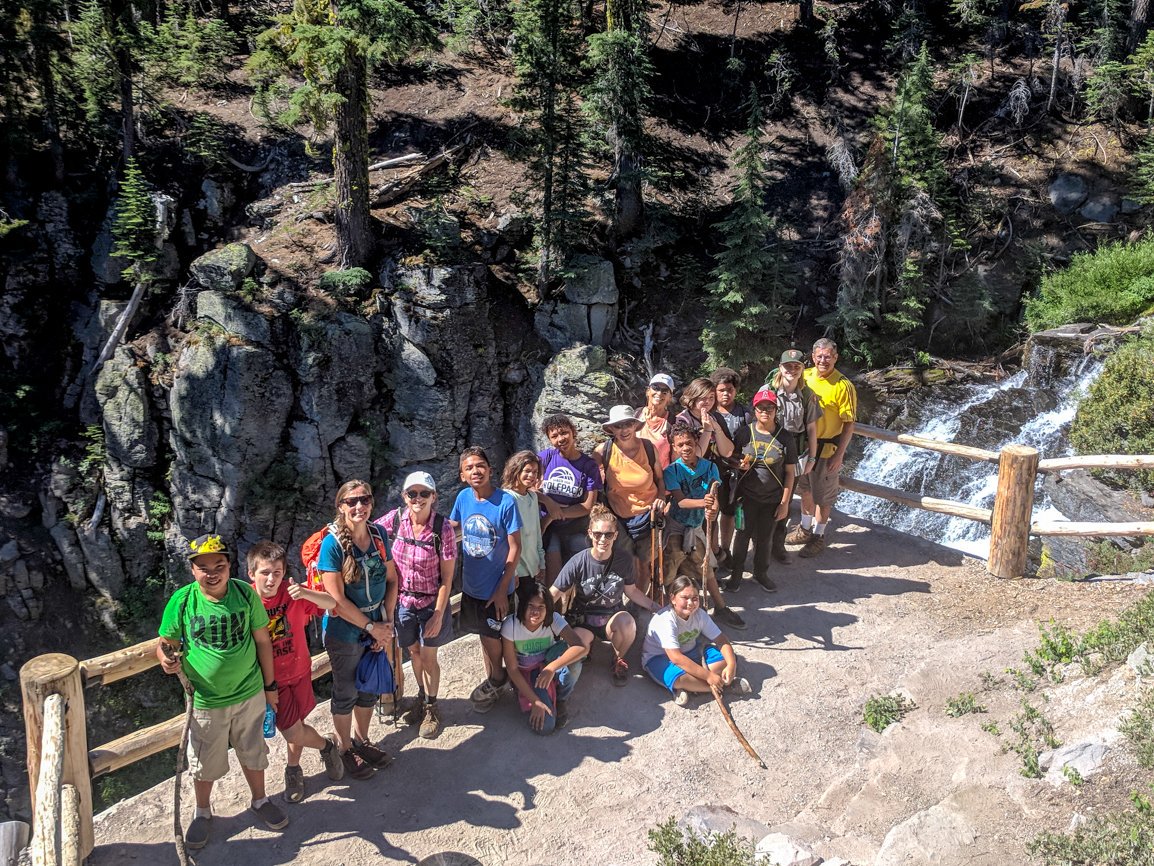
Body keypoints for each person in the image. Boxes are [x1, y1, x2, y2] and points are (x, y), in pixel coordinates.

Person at [156, 534, 288, 849]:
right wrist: (164, 658)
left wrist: (270, 688)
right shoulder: (184, 600)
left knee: (253, 750)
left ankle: (260, 800)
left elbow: (262, 641)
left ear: (229, 566)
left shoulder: (244, 594)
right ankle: (202, 812)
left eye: (219, 565)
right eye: (204, 567)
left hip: (249, 692)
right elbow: (165, 642)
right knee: (205, 760)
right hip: (205, 699)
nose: (212, 573)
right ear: (192, 569)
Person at [247, 540, 345, 802]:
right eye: (264, 573)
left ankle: (293, 768)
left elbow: (331, 603)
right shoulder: (245, 601)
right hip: (270, 682)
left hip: (299, 671)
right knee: (292, 730)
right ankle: (327, 745)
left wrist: (304, 593)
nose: (271, 579)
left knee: (297, 726)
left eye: (276, 573)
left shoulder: (293, 594)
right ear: (251, 574)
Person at [315, 480, 398, 779]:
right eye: (351, 502)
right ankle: (344, 747)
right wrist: (372, 627)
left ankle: (362, 740)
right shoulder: (332, 545)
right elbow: (336, 601)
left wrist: (386, 623)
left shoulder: (379, 535)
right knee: (346, 690)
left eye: (364, 499)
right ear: (341, 507)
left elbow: (392, 579)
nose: (359, 506)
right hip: (345, 631)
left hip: (377, 623)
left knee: (368, 689)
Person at [374, 471, 455, 740]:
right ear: (404, 496)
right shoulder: (396, 520)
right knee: (414, 652)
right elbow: (368, 531)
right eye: (412, 493)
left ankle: (432, 707)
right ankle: (422, 697)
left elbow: (447, 579)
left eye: (424, 494)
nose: (417, 499)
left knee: (429, 657)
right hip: (404, 602)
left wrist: (439, 615)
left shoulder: (442, 528)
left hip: (431, 602)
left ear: (434, 496)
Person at [551, 504, 659, 686]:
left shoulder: (623, 559)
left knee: (628, 623)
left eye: (608, 534)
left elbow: (631, 590)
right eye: (598, 534)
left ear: (615, 535)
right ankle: (588, 648)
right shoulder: (579, 561)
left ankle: (618, 658)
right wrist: (535, 613)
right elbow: (555, 592)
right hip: (584, 619)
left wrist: (655, 606)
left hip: (611, 617)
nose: (603, 539)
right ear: (590, 534)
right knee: (577, 649)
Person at [450, 446, 523, 712]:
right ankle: (497, 678)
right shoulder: (463, 498)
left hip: (497, 588)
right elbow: (454, 527)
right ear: (462, 475)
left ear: (490, 470)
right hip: (472, 586)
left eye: (480, 465)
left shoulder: (505, 502)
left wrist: (503, 589)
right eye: (469, 468)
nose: (475, 471)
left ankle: (500, 679)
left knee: (498, 638)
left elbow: (516, 547)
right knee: (485, 635)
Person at [663, 423, 746, 630]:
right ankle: (667, 613)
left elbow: (714, 494)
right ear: (674, 447)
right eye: (680, 444)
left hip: (696, 526)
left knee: (705, 566)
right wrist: (704, 503)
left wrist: (713, 509)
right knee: (669, 571)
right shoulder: (671, 471)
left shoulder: (710, 468)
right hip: (676, 527)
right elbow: (680, 501)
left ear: (697, 444)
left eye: (689, 443)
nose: (685, 448)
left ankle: (720, 607)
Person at [786, 338, 857, 558]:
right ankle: (805, 528)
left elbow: (849, 423)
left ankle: (819, 535)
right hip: (804, 447)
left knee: (823, 497)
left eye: (828, 356)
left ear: (835, 357)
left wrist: (840, 454)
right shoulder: (804, 376)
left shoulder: (843, 386)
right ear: (813, 357)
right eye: (819, 356)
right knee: (805, 489)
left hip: (827, 450)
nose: (823, 360)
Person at [642, 575, 749, 707]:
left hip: (691, 652)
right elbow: (676, 658)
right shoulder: (666, 620)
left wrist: (731, 665)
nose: (690, 603)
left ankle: (696, 686)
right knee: (679, 679)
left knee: (726, 660)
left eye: (694, 599)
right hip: (661, 658)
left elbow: (721, 640)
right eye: (685, 598)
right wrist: (709, 677)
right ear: (672, 598)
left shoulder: (700, 615)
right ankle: (722, 685)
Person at [593, 405, 668, 596]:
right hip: (618, 516)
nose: (624, 430)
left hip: (648, 515)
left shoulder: (648, 448)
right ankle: (621, 598)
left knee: (644, 562)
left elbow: (660, 479)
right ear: (611, 429)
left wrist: (660, 497)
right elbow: (585, 474)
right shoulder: (604, 451)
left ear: (635, 425)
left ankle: (638, 602)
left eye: (628, 424)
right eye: (618, 426)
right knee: (623, 561)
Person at [729, 388, 797, 593]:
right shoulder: (744, 433)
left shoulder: (785, 438)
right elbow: (731, 458)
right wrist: (737, 464)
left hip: (772, 499)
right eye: (760, 407)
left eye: (770, 407)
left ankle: (761, 573)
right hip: (746, 496)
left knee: (765, 538)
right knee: (741, 536)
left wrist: (785, 504)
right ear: (754, 409)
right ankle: (736, 574)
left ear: (776, 410)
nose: (765, 411)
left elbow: (790, 473)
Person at [500, 582, 587, 734]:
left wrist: (551, 668)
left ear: (548, 608)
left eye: (541, 607)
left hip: (548, 664)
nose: (535, 612)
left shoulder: (553, 619)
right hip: (528, 672)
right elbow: (513, 669)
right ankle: (532, 694)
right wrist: (536, 701)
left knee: (575, 663)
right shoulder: (511, 625)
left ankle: (560, 698)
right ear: (522, 606)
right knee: (546, 727)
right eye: (531, 606)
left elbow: (580, 647)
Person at [766, 348, 819, 563]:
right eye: (788, 366)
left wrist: (813, 458)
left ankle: (777, 547)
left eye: (797, 366)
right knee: (765, 496)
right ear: (780, 367)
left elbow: (812, 429)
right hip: (769, 450)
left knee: (785, 499)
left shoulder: (807, 395)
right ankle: (761, 544)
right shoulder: (768, 390)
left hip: (795, 452)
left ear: (802, 369)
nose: (792, 369)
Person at [537, 414, 601, 586]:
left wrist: (553, 514)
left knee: (580, 578)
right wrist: (548, 502)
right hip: (547, 530)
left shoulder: (588, 465)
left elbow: (587, 506)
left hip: (574, 527)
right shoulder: (545, 458)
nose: (560, 439)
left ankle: (575, 611)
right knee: (554, 579)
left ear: (573, 432)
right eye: (554, 436)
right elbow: (526, 485)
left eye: (564, 433)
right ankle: (553, 612)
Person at [709, 367, 751, 572]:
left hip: (735, 472)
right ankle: (714, 551)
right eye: (722, 390)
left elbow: (752, 442)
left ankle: (726, 551)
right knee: (711, 513)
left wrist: (747, 461)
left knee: (728, 512)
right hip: (711, 470)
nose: (726, 394)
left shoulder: (744, 413)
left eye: (730, 390)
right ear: (714, 391)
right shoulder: (708, 412)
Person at [502, 450, 554, 586]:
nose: (531, 475)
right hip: (515, 570)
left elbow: (537, 532)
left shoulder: (532, 497)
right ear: (516, 470)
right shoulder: (507, 498)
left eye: (535, 472)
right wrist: (512, 572)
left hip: (533, 568)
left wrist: (541, 563)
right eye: (527, 471)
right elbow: (504, 540)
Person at [674, 376, 736, 462]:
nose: (708, 401)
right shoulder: (682, 420)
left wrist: (717, 429)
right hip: (695, 472)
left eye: (711, 397)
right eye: (703, 397)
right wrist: (707, 430)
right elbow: (694, 456)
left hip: (714, 471)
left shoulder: (715, 417)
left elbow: (727, 452)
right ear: (693, 397)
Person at [635, 373, 676, 469]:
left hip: (660, 478)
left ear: (670, 397)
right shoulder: (636, 415)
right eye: (656, 387)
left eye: (665, 391)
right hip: (635, 476)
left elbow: (676, 458)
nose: (659, 393)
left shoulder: (673, 423)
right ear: (648, 391)